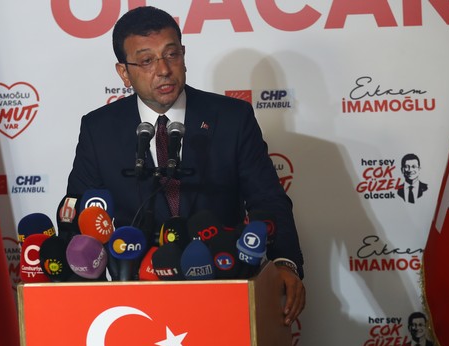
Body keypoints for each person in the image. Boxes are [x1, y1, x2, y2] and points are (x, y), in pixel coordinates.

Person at [67, 6, 305, 325]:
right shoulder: (99, 130)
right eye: (147, 60)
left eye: (171, 54)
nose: (164, 69)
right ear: (124, 72)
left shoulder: (232, 118)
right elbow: (84, 215)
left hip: (224, 291)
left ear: (183, 54)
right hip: (136, 304)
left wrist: (285, 262)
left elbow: (267, 198)